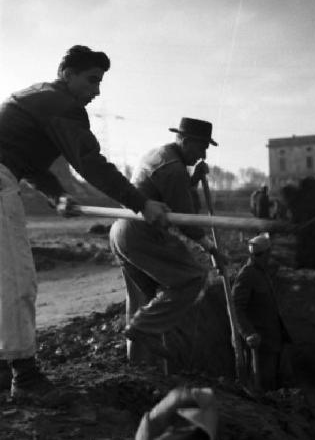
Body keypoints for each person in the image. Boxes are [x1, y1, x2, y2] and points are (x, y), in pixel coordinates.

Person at [0, 45, 169, 400]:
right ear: (67, 74)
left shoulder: (33, 96)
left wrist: (56, 194)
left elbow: (28, 162)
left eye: (100, 82)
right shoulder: (64, 108)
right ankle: (25, 378)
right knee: (17, 279)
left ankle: (4, 367)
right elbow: (90, 163)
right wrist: (141, 203)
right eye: (91, 80)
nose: (96, 91)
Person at [109, 117, 224, 362]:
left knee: (144, 299)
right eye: (201, 146)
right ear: (184, 141)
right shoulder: (173, 168)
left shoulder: (161, 156)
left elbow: (170, 194)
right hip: (141, 233)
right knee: (192, 277)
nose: (203, 153)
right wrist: (211, 248)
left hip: (122, 230)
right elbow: (185, 218)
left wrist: (192, 179)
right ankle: (141, 329)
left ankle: (140, 365)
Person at [231, 233, 293, 391]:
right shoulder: (247, 275)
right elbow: (235, 307)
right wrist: (248, 333)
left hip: (272, 340)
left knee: (274, 382)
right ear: (265, 254)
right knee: (262, 385)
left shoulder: (261, 271)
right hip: (259, 343)